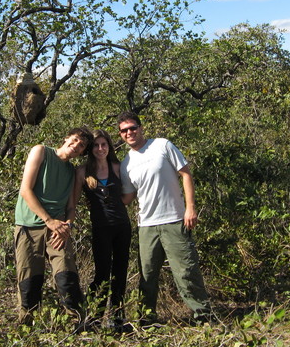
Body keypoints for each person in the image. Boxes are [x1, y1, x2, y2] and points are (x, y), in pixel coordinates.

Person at [117, 112, 212, 324]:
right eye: (124, 130)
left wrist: (191, 208)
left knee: (186, 271)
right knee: (147, 276)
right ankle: (147, 320)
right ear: (121, 135)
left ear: (141, 128)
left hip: (175, 220)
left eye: (133, 128)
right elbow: (129, 196)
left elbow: (186, 174)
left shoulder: (162, 145)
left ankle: (204, 316)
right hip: (147, 226)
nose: (129, 133)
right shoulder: (126, 163)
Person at [13, 127, 93, 325]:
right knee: (29, 282)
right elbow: (25, 190)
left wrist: (67, 226)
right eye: (74, 140)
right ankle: (27, 327)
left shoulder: (72, 172)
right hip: (29, 226)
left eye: (81, 146)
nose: (76, 146)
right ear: (66, 138)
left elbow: (71, 207)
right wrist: (49, 221)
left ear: (83, 152)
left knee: (67, 277)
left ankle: (77, 324)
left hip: (58, 231)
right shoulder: (41, 151)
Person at [74, 129, 132, 330]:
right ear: (91, 149)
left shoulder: (117, 167)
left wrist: (117, 205)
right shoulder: (83, 172)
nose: (100, 148)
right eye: (96, 145)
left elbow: (129, 194)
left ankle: (117, 319)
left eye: (104, 144)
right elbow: (72, 203)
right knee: (101, 274)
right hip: (101, 228)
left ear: (109, 146)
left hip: (122, 227)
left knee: (120, 272)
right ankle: (94, 319)